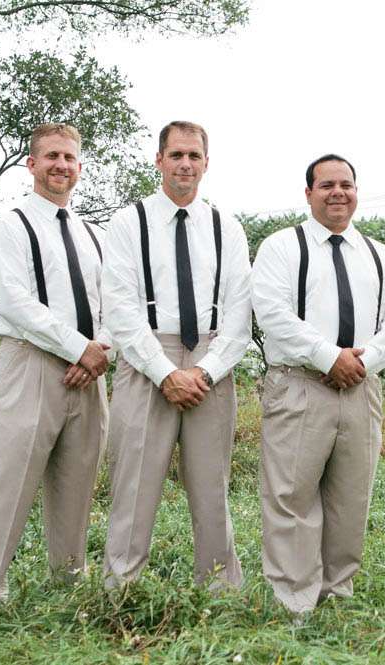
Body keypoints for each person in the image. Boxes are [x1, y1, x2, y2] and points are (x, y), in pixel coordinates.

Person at [250, 154, 385, 616]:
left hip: (361, 387)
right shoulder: (282, 247)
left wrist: (361, 362)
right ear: (309, 193)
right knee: (292, 495)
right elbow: (273, 312)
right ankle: (294, 601)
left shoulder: (380, 256)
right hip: (300, 384)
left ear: (356, 192)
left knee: (350, 498)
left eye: (346, 184)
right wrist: (328, 356)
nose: (338, 192)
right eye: (326, 185)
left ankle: (337, 594)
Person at [0, 123, 110, 600]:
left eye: (69, 157)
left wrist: (99, 351)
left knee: (76, 486)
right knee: (6, 482)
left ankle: (68, 587)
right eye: (51, 156)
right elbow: (15, 302)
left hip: (91, 374)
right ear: (32, 164)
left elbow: (116, 305)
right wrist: (78, 347)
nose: (61, 165)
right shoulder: (11, 226)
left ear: (79, 167)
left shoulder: (94, 235)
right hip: (30, 365)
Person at [101, 121, 251, 589]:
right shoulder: (129, 223)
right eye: (176, 155)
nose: (185, 164)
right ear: (159, 160)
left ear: (206, 163)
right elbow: (120, 308)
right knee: (134, 485)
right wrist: (165, 373)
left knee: (211, 488)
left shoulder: (227, 228)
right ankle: (120, 592)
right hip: (147, 357)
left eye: (194, 156)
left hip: (210, 359)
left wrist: (204, 372)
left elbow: (239, 316)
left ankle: (220, 593)